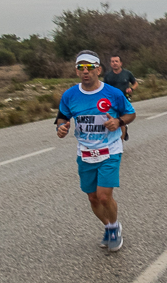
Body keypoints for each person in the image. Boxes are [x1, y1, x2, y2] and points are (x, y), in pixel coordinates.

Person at [55, 51, 136, 252]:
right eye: (81, 68)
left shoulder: (113, 93)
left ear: (98, 70)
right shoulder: (70, 95)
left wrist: (118, 121)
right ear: (76, 71)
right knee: (92, 198)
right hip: (85, 152)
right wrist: (61, 127)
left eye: (90, 68)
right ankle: (108, 227)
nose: (85, 72)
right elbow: (61, 117)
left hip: (110, 150)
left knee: (103, 196)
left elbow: (131, 113)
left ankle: (115, 227)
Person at [104, 54, 138, 140]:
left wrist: (131, 89)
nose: (114, 63)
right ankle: (121, 135)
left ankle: (121, 142)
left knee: (121, 121)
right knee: (115, 120)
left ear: (121, 63)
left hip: (124, 100)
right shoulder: (108, 75)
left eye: (116, 61)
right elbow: (104, 88)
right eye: (112, 61)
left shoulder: (127, 73)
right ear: (110, 63)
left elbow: (135, 83)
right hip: (111, 102)